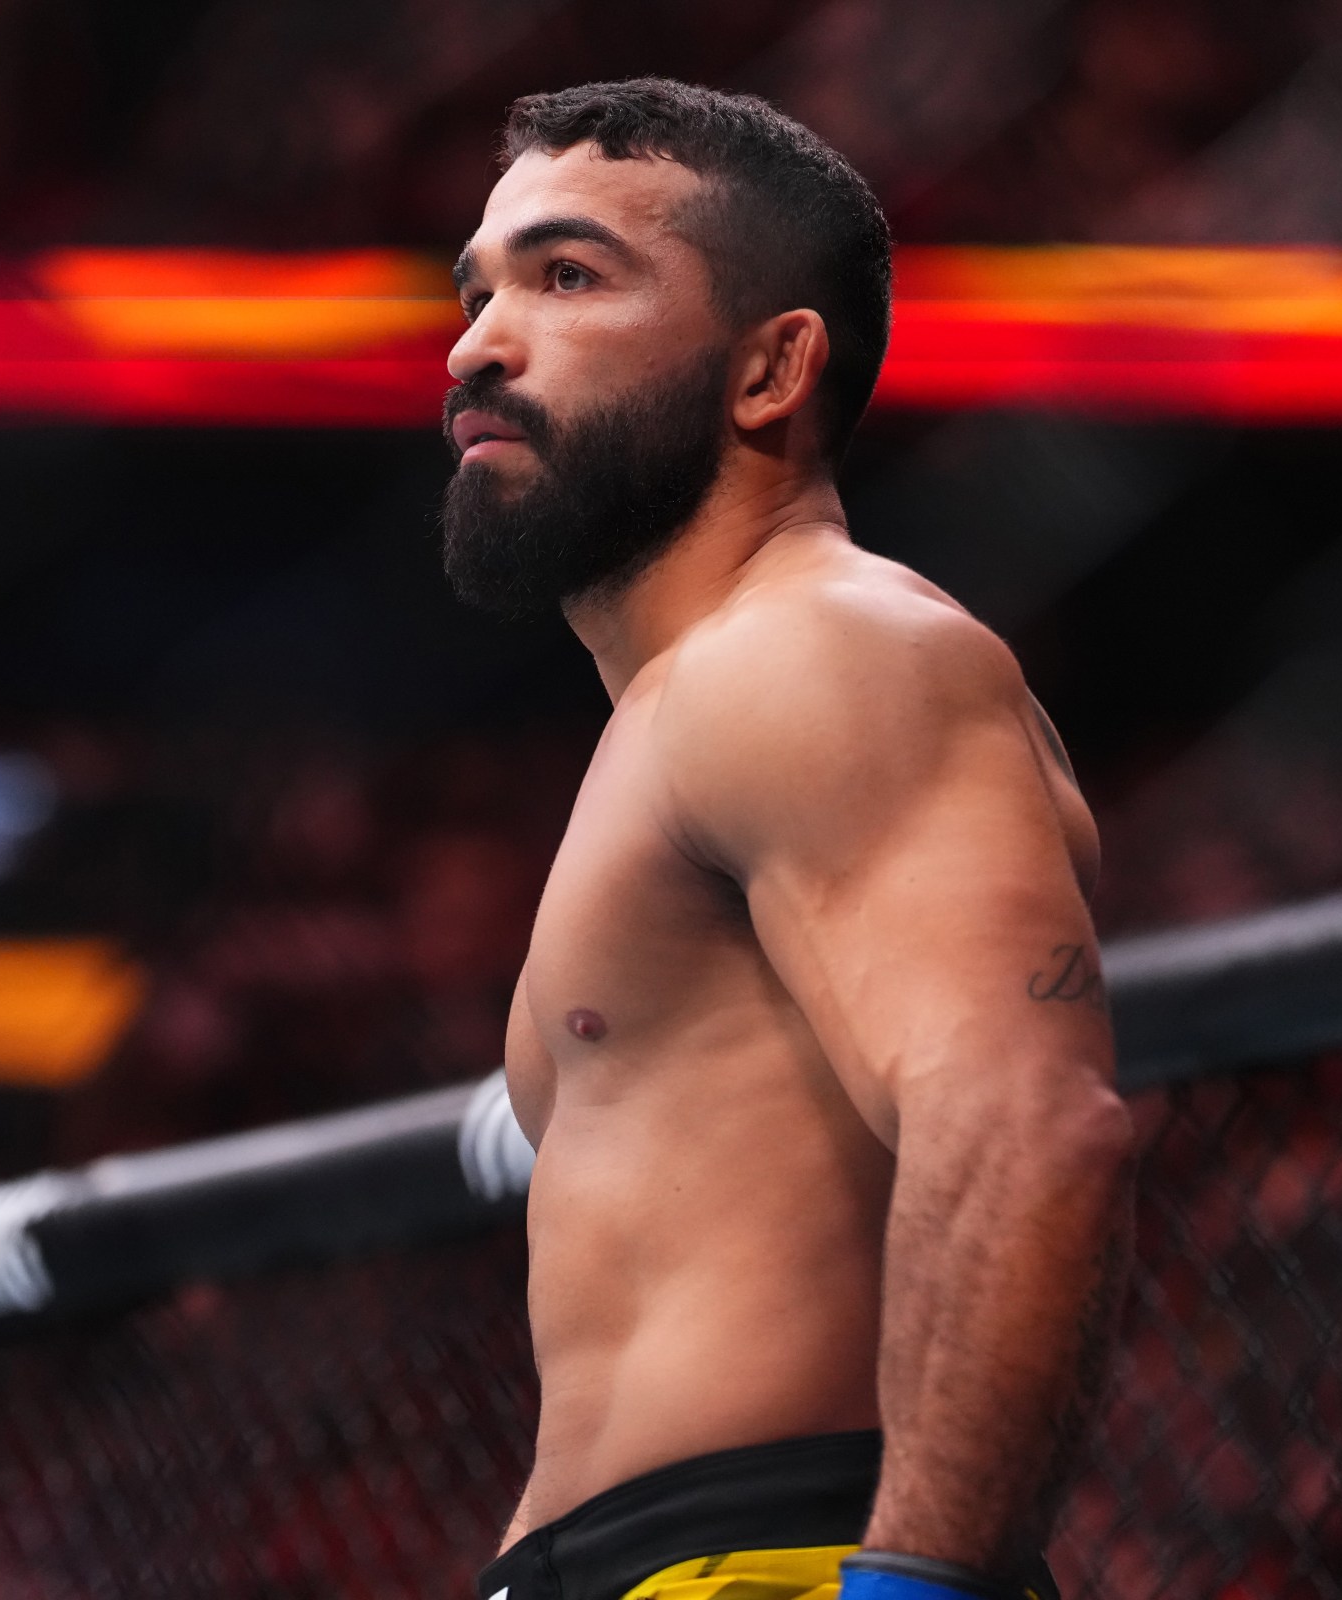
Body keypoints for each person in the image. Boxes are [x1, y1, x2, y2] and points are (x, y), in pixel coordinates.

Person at [442, 80, 1136, 1600]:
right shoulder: (673, 719)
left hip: (774, 1555)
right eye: (479, 288)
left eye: (567, 278)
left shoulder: (826, 650)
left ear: (771, 369)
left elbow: (1025, 1122)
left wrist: (920, 1586)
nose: (479, 345)